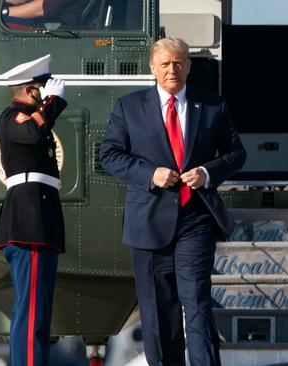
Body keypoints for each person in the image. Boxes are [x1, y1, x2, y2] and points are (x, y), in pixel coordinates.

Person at [99, 37, 246, 366]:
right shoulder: (129, 107)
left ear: (189, 66)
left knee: (196, 303)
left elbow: (237, 154)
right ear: (152, 68)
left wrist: (208, 173)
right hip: (148, 222)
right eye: (165, 64)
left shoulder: (212, 107)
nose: (172, 70)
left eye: (179, 63)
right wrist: (151, 174)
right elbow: (109, 155)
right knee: (157, 310)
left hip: (195, 219)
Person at [0, 54, 67, 366]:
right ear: (30, 90)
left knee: (37, 308)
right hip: (29, 219)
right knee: (32, 307)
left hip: (40, 218)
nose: (46, 93)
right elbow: (32, 133)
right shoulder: (13, 117)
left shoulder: (32, 118)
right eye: (42, 88)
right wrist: (53, 105)